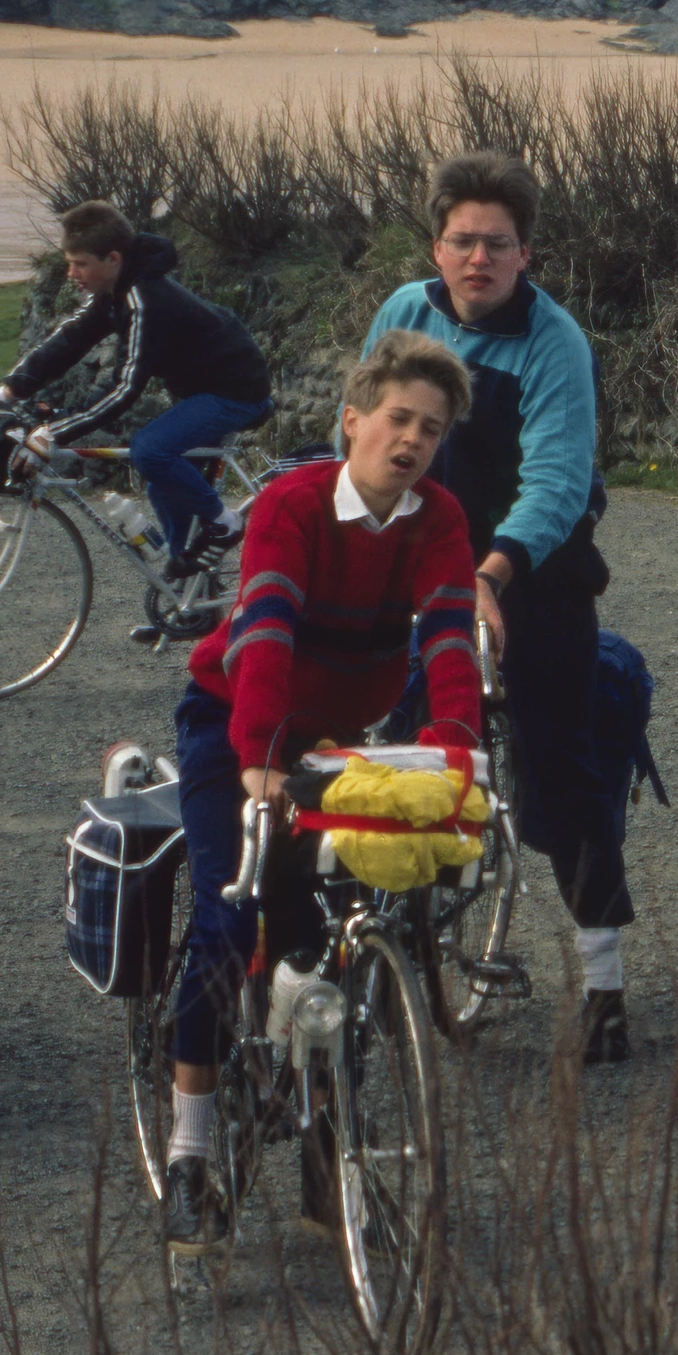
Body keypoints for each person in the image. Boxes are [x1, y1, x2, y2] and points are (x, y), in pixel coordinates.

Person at [159, 330, 482, 1251]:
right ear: (352, 422)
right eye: (396, 420)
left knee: (340, 933)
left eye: (431, 427)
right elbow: (264, 626)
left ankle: (324, 1158)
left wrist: (458, 755)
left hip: (342, 740)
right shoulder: (294, 504)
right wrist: (260, 756)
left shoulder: (439, 518)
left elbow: (452, 638)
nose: (412, 441)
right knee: (232, 918)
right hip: (236, 725)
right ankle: (188, 1158)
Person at [363, 151, 633, 1064]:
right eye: (462, 241)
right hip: (423, 563)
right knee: (379, 742)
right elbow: (362, 435)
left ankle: (603, 982)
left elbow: (558, 478)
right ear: (436, 246)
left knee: (563, 759)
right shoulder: (405, 312)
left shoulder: (555, 342)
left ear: (526, 252)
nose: (478, 259)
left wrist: (494, 570)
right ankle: (380, 949)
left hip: (536, 569)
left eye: (499, 244)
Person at [0, 202, 274, 580]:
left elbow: (125, 389)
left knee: (150, 450)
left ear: (112, 259)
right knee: (163, 488)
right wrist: (8, 391)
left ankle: (225, 523)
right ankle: (191, 602)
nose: (70, 272)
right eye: (68, 261)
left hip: (236, 390)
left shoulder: (144, 300)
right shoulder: (113, 291)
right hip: (201, 391)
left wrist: (53, 431)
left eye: (80, 263)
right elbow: (68, 340)